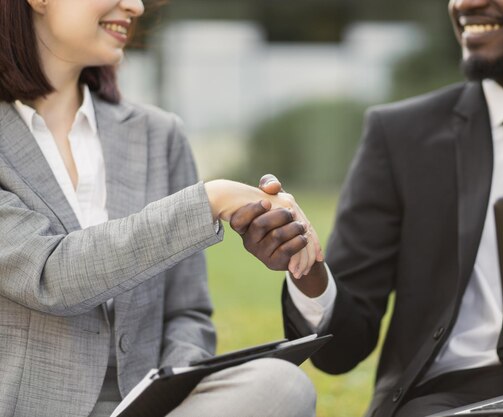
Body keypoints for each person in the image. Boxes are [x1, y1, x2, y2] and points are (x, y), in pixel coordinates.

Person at [231, 0, 503, 416]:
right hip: (443, 402)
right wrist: (307, 270)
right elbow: (340, 351)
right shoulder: (399, 138)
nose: (465, 3)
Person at [0, 0, 323, 416]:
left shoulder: (158, 134)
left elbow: (186, 311)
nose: (134, 5)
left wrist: (173, 385)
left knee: (280, 385)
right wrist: (212, 199)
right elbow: (49, 275)